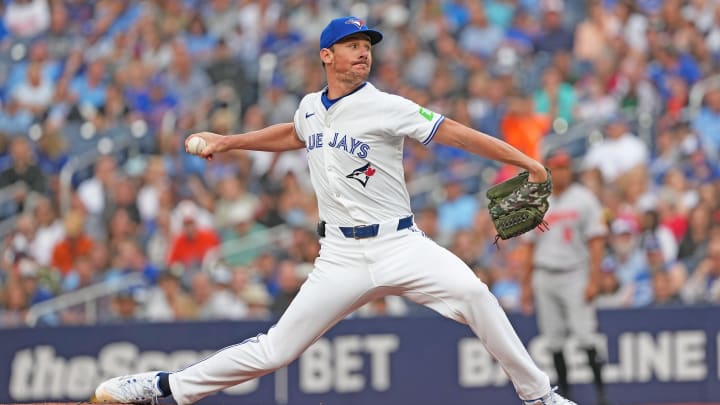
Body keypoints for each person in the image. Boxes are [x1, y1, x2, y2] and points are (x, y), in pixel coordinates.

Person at [92, 17, 574, 405]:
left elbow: (453, 132)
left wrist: (523, 159)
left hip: (400, 243)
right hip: (340, 255)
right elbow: (294, 132)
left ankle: (540, 398)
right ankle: (165, 388)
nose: (363, 51)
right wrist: (230, 141)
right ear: (327, 55)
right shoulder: (309, 107)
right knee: (276, 349)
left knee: (474, 293)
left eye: (367, 44)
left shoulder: (387, 106)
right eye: (351, 44)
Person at [519, 149, 610, 405]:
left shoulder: (583, 199)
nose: (562, 172)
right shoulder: (537, 200)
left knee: (586, 335)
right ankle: (566, 396)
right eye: (557, 167)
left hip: (575, 273)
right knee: (553, 339)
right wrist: (525, 286)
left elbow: (596, 241)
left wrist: (594, 279)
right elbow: (529, 247)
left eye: (565, 166)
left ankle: (602, 396)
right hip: (545, 274)